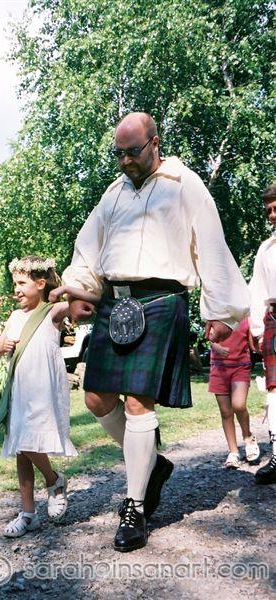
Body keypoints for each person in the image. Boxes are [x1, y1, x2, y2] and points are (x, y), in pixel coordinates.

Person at [62, 112, 250, 552]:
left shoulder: (184, 184)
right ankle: (153, 464)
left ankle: (135, 507)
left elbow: (211, 246)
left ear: (155, 142)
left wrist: (220, 312)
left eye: (133, 151)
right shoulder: (113, 194)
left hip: (162, 300)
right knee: (96, 398)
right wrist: (78, 291)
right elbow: (87, 249)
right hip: (115, 301)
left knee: (137, 402)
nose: (126, 160)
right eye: (119, 154)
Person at [0, 256, 77, 538]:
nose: (16, 289)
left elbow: (79, 304)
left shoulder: (52, 312)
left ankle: (53, 481)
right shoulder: (15, 317)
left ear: (40, 284)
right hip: (20, 390)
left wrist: (64, 290)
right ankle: (29, 512)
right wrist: (2, 345)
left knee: (26, 441)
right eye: (14, 283)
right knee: (21, 447)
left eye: (21, 283)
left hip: (42, 390)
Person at [249, 181, 276, 484]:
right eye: (268, 210)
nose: (272, 215)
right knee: (274, 390)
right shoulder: (266, 250)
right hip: (274, 319)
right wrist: (257, 329)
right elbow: (256, 290)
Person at [208, 318, 260, 468]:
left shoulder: (246, 318)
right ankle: (233, 452)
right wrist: (216, 347)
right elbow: (210, 339)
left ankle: (248, 437)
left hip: (241, 367)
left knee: (238, 405)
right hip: (219, 368)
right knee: (225, 412)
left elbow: (253, 345)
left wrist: (262, 346)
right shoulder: (214, 316)